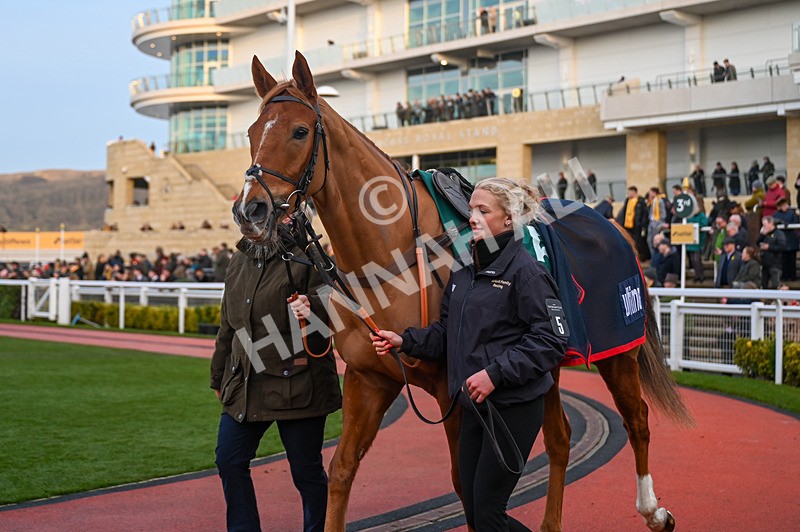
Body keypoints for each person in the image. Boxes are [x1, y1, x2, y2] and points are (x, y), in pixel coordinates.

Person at [371, 178, 567, 532]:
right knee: (476, 512)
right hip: (473, 407)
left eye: (483, 210)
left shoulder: (528, 273)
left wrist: (495, 374)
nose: (471, 217)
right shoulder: (464, 273)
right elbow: (447, 334)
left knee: (490, 513)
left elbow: (551, 340)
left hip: (514, 407)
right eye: (471, 209)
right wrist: (404, 341)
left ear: (509, 219)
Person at [211, 226, 342, 532]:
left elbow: (341, 309)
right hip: (245, 383)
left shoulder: (309, 256)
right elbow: (227, 325)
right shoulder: (237, 260)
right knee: (229, 460)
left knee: (306, 472)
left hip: (300, 383)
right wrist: (219, 375)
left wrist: (313, 306)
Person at [615, 185, 650, 261]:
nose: (628, 194)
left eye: (629, 192)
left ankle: (640, 257)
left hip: (637, 225)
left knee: (638, 242)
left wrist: (642, 224)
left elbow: (644, 214)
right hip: (627, 225)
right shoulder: (627, 200)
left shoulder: (640, 201)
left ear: (634, 192)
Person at [756, 215, 786, 289]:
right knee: (763, 284)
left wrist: (769, 247)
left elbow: (782, 247)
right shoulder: (765, 234)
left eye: (765, 225)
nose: (763, 227)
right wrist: (762, 235)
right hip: (765, 263)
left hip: (775, 263)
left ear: (771, 223)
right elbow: (757, 242)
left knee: (776, 283)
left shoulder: (779, 234)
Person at [773, 198, 798, 281]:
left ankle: (792, 276)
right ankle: (785, 276)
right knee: (783, 260)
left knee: (791, 259)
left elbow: (795, 223)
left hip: (791, 239)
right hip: (782, 240)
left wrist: (788, 225)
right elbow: (774, 222)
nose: (785, 206)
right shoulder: (776, 215)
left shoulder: (792, 214)